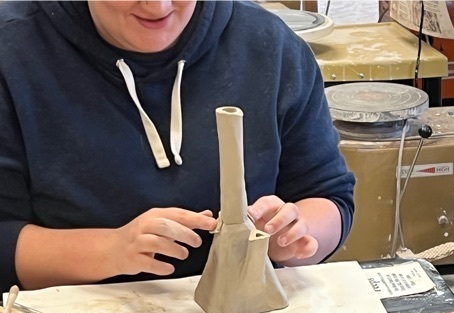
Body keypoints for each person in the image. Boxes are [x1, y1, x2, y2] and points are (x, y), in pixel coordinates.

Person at [0, 0, 354, 293]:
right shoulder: (14, 52)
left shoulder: (270, 46)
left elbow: (328, 196)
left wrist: (296, 235)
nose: (158, 6)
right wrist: (112, 249)